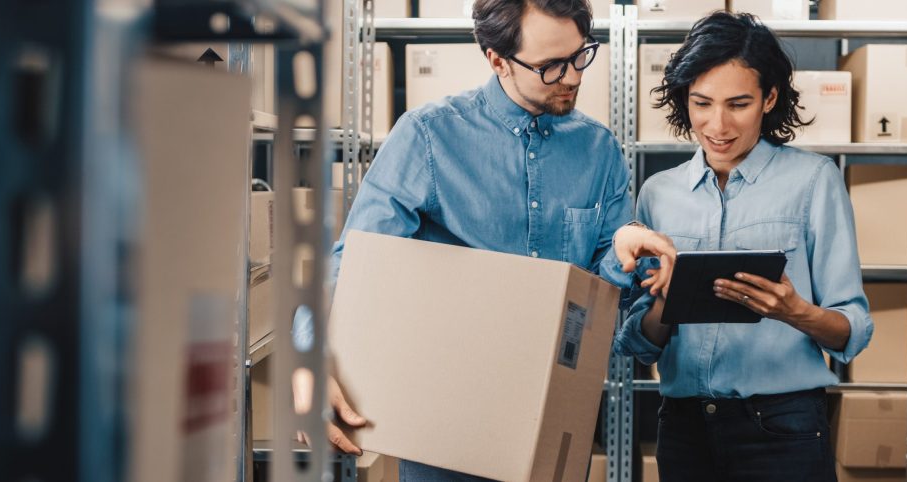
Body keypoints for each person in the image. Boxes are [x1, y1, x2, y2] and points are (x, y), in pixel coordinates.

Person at [308, 0, 677, 479]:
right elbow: (353, 266)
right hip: (446, 425)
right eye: (549, 67)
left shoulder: (599, 150)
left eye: (579, 55)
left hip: (558, 417)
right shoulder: (427, 137)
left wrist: (624, 251)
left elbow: (606, 295)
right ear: (496, 59)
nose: (572, 77)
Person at [610, 11, 873, 482]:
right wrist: (665, 302)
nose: (717, 124)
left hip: (782, 427)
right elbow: (637, 344)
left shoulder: (815, 181)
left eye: (738, 104)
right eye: (701, 103)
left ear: (769, 98)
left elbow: (851, 330)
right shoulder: (657, 193)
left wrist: (795, 311)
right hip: (684, 428)